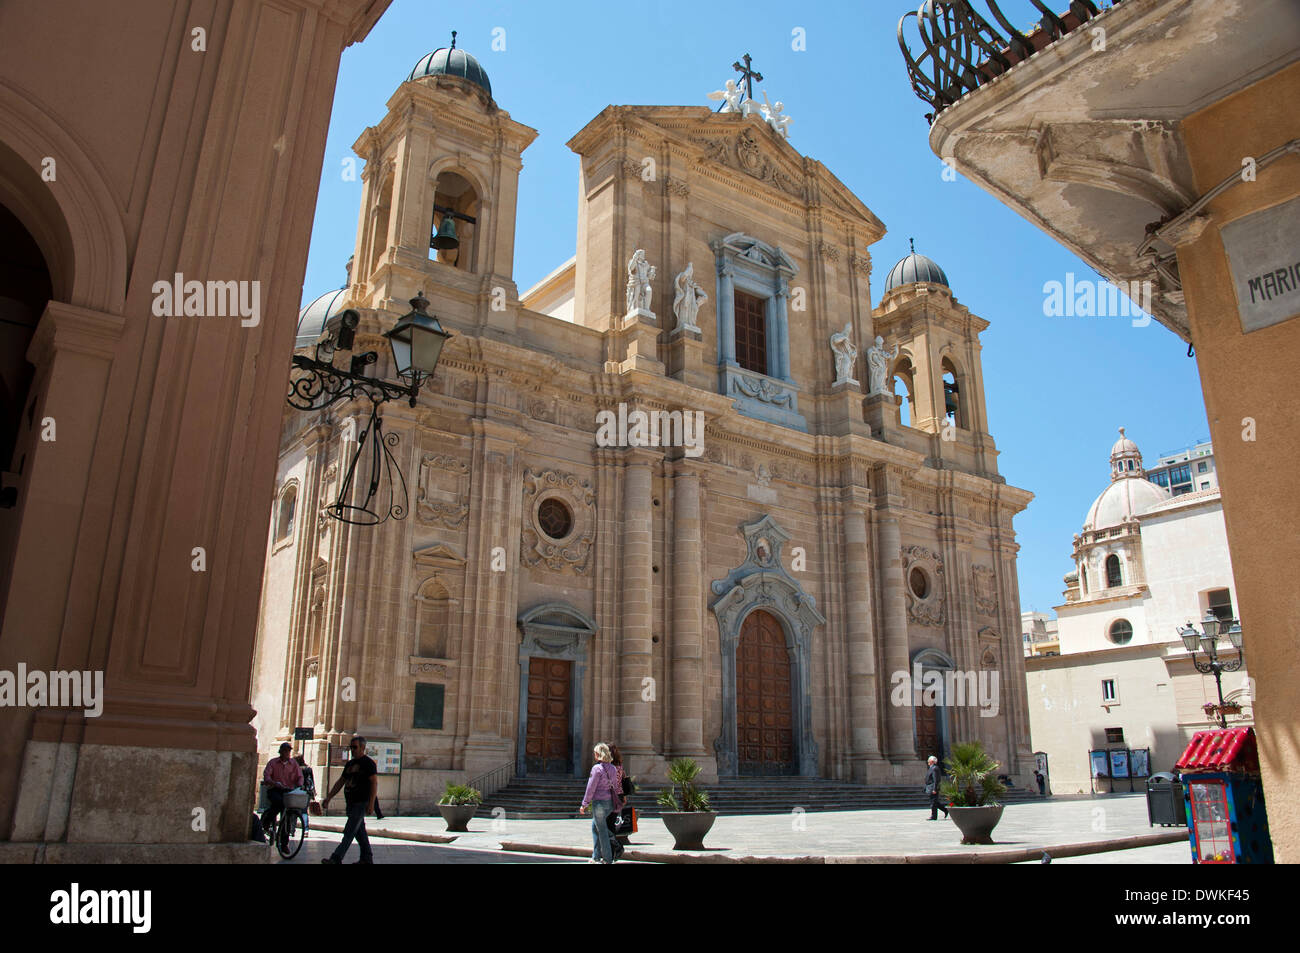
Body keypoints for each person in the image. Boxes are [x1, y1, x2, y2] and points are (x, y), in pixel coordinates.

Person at [320, 735, 377, 864]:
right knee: (359, 831)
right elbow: (341, 782)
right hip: (351, 802)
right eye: (351, 747)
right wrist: (329, 797)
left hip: (361, 802)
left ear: (362, 747)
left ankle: (336, 858)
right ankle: (367, 858)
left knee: (350, 831)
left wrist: (371, 803)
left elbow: (374, 783)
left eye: (355, 747)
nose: (352, 750)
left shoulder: (368, 763)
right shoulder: (350, 764)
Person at [579, 742, 622, 864]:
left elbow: (591, 787)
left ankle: (608, 859)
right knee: (595, 827)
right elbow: (614, 785)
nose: (594, 755)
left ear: (598, 754)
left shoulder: (596, 769)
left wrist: (584, 804)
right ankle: (596, 856)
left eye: (595, 753)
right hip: (609, 802)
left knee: (602, 830)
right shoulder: (613, 769)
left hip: (599, 803)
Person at [261, 742, 304, 837]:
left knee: (288, 812)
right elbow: (267, 776)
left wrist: (300, 785)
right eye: (285, 751)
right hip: (275, 789)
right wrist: (274, 783)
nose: (287, 753)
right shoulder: (273, 762)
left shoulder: (293, 763)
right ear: (281, 752)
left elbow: (299, 776)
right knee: (278, 803)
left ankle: (284, 840)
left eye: (288, 751)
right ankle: (267, 822)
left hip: (288, 791)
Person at [924, 755, 948, 821]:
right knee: (935, 802)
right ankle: (945, 810)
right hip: (930, 787)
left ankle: (933, 816)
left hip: (933, 788)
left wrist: (934, 789)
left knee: (933, 803)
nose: (927, 762)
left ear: (932, 761)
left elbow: (936, 780)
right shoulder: (931, 768)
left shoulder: (935, 768)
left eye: (928, 761)